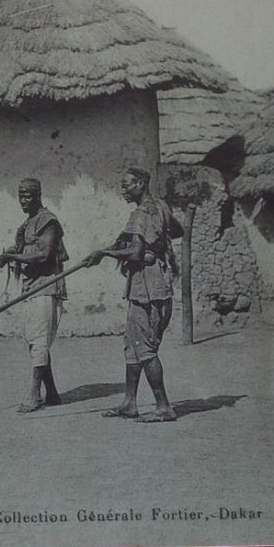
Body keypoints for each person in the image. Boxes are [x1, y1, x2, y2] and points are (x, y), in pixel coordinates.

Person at [84, 166, 182, 423]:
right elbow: (178, 230)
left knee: (145, 349)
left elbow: (137, 253)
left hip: (147, 290)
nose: (123, 190)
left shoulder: (140, 214)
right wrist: (157, 247)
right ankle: (129, 402)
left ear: (140, 184)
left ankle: (164, 407)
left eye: (127, 185)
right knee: (133, 346)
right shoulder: (161, 206)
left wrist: (103, 254)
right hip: (152, 286)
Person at [0, 177, 69, 413]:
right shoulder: (28, 223)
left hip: (46, 287)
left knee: (38, 342)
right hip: (31, 286)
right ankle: (52, 393)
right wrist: (7, 255)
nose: (24, 201)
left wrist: (12, 258)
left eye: (28, 196)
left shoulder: (49, 222)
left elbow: (44, 254)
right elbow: (25, 249)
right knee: (37, 342)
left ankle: (35, 395)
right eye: (21, 196)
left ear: (38, 196)